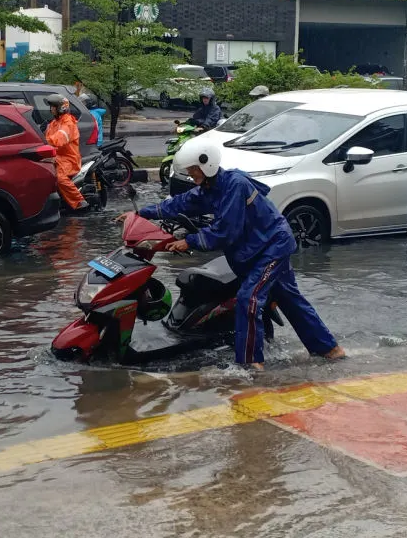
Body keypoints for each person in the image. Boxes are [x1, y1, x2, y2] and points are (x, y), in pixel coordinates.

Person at [118, 136, 345, 370]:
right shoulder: (210, 187)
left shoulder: (235, 185)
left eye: (194, 170)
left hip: (271, 247)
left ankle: (251, 363)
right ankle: (329, 349)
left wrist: (190, 241)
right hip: (256, 248)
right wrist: (141, 214)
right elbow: (181, 203)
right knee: (289, 299)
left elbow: (226, 231)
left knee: (249, 298)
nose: (192, 175)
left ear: (207, 165)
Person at [45, 94, 89, 212]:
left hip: (68, 158)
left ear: (60, 108)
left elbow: (60, 138)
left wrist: (45, 143)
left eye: (53, 107)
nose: (51, 109)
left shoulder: (68, 122)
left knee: (59, 178)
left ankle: (79, 201)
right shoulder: (53, 123)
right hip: (55, 156)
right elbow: (46, 137)